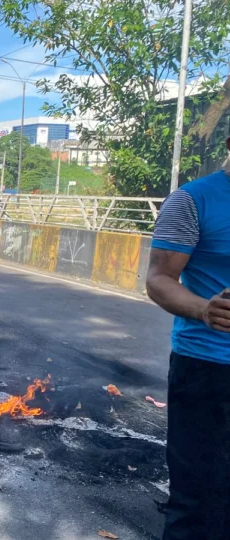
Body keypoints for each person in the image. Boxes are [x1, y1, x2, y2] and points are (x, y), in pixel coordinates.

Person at [145, 144, 230, 539]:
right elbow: (159, 278)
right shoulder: (192, 200)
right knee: (199, 500)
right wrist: (202, 310)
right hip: (210, 370)